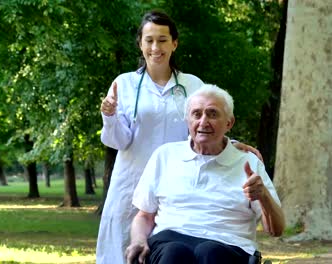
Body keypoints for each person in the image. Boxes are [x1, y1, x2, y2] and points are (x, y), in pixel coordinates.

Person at [97, 10, 262, 264]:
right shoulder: (125, 84)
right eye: (149, 40)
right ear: (140, 43)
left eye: (163, 40)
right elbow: (118, 141)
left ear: (174, 43)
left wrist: (235, 145)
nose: (156, 47)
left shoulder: (192, 84)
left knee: (170, 251)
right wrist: (109, 116)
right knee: (124, 252)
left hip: (176, 186)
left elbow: (204, 127)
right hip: (130, 183)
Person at [125, 84, 285, 264]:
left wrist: (263, 196)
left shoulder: (249, 163)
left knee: (209, 252)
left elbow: (276, 230)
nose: (203, 121)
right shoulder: (165, 156)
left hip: (227, 245)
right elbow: (144, 216)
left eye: (212, 113)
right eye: (197, 114)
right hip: (168, 242)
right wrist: (138, 240)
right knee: (175, 252)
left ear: (229, 123)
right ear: (187, 121)